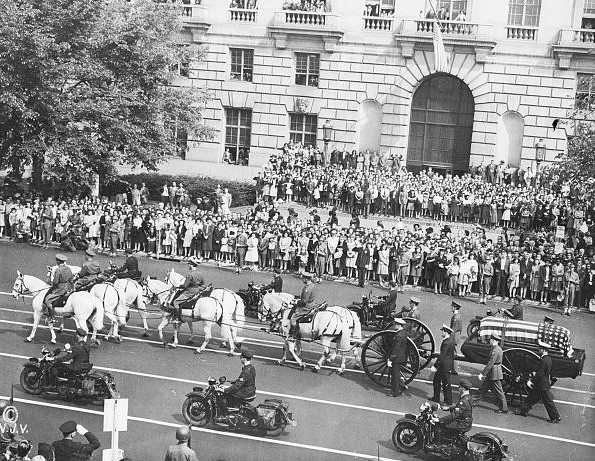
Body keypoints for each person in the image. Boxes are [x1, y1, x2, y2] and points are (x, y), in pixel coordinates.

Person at [515, 340, 561, 423]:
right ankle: (523, 411)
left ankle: (555, 417)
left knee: (547, 401)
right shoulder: (548, 359)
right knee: (531, 398)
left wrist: (531, 381)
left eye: (540, 348)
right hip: (543, 384)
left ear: (543, 350)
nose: (538, 349)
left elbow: (540, 374)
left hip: (541, 385)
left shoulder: (543, 360)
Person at [429, 379, 474, 449]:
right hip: (466, 421)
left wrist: (439, 420)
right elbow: (458, 408)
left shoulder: (463, 401)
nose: (458, 388)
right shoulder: (468, 397)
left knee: (439, 424)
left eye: (460, 387)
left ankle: (437, 445)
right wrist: (444, 408)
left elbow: (454, 415)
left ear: (463, 388)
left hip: (462, 423)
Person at [216, 349, 256, 419]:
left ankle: (225, 416)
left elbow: (237, 386)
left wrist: (224, 390)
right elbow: (247, 380)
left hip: (246, 392)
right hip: (250, 390)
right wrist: (233, 381)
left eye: (241, 357)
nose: (240, 359)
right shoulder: (251, 368)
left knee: (222, 396)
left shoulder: (246, 371)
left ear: (244, 358)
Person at [476, 333, 508, 414]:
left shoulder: (496, 350)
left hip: (494, 373)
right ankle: (471, 402)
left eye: (490, 339)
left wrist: (482, 373)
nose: (489, 341)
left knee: (499, 392)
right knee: (482, 389)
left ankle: (504, 408)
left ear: (493, 340)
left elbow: (490, 363)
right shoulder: (497, 349)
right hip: (493, 373)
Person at [172, 257, 206, 323]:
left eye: (189, 264)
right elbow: (203, 284)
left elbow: (185, 286)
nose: (188, 265)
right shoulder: (200, 274)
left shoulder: (190, 274)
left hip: (190, 292)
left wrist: (178, 286)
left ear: (191, 265)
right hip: (198, 291)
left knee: (175, 302)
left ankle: (177, 318)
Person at [430, 325, 456, 405]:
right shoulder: (450, 340)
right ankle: (436, 397)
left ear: (446, 332)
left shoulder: (446, 343)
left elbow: (442, 356)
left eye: (443, 331)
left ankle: (448, 401)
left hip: (444, 366)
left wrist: (435, 365)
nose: (442, 332)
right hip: (445, 365)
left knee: (446, 384)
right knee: (436, 380)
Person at [43, 254, 73, 322]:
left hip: (60, 289)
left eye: (57, 260)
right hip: (67, 287)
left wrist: (52, 283)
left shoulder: (58, 270)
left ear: (58, 261)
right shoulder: (68, 268)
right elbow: (71, 280)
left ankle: (51, 317)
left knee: (48, 300)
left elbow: (56, 282)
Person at [387, 318, 408, 397]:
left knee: (395, 375)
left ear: (399, 325)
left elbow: (396, 349)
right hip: (400, 356)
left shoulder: (399, 335)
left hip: (396, 358)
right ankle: (402, 386)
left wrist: (390, 359)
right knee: (396, 373)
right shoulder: (403, 333)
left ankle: (395, 392)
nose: (394, 325)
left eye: (395, 324)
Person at [449, 301, 463, 374]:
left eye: (452, 306)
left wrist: (449, 337)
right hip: (456, 336)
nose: (450, 307)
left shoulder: (456, 317)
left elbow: (453, 330)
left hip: (454, 336)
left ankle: (454, 369)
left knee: (453, 353)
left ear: (454, 307)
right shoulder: (458, 316)